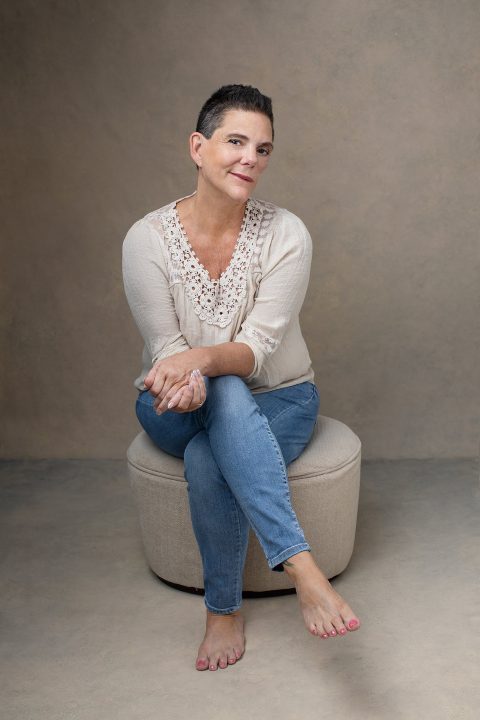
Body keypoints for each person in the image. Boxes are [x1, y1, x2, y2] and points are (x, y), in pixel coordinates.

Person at [122, 84, 360, 672]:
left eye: (263, 148)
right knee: (217, 389)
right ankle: (303, 565)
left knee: (213, 440)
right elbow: (169, 353)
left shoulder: (287, 234)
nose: (251, 158)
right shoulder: (145, 239)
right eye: (235, 141)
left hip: (283, 399)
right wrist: (192, 369)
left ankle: (222, 610)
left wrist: (201, 364)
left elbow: (254, 352)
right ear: (198, 147)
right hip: (170, 403)